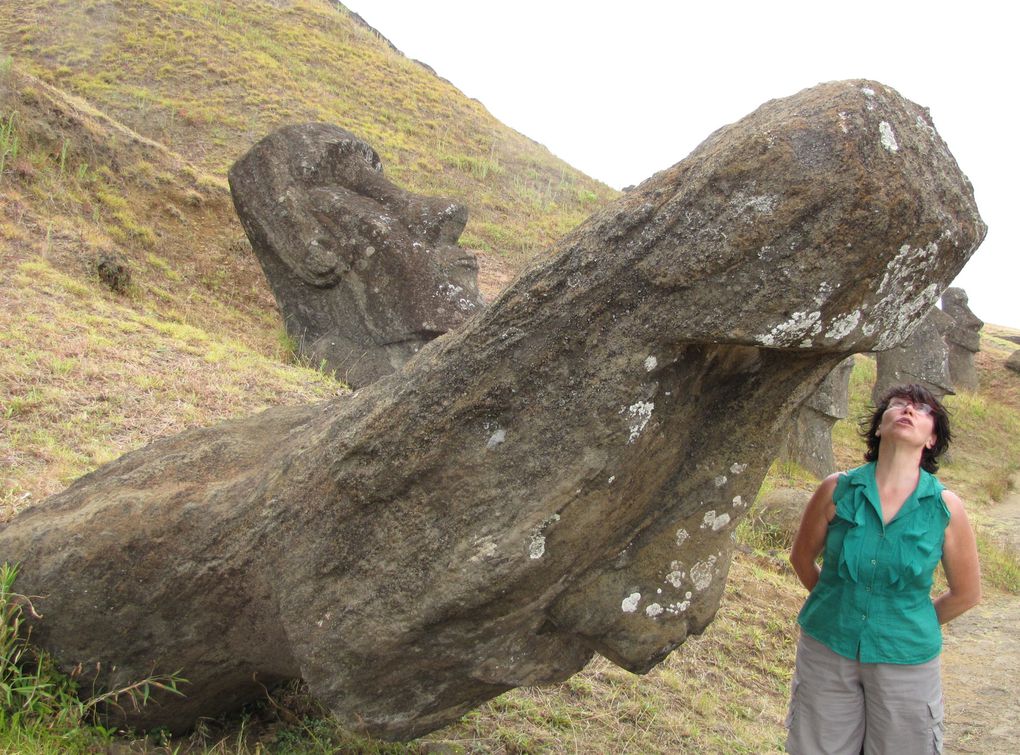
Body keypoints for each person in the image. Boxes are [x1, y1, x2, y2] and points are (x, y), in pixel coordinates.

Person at [786, 384, 981, 754]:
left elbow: (967, 594)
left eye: (922, 410)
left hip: (906, 659)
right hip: (828, 648)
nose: (908, 410)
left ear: (932, 439)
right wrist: (839, 606)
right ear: (879, 427)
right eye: (898, 405)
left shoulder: (945, 507)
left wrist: (905, 620)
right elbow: (801, 559)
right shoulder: (836, 489)